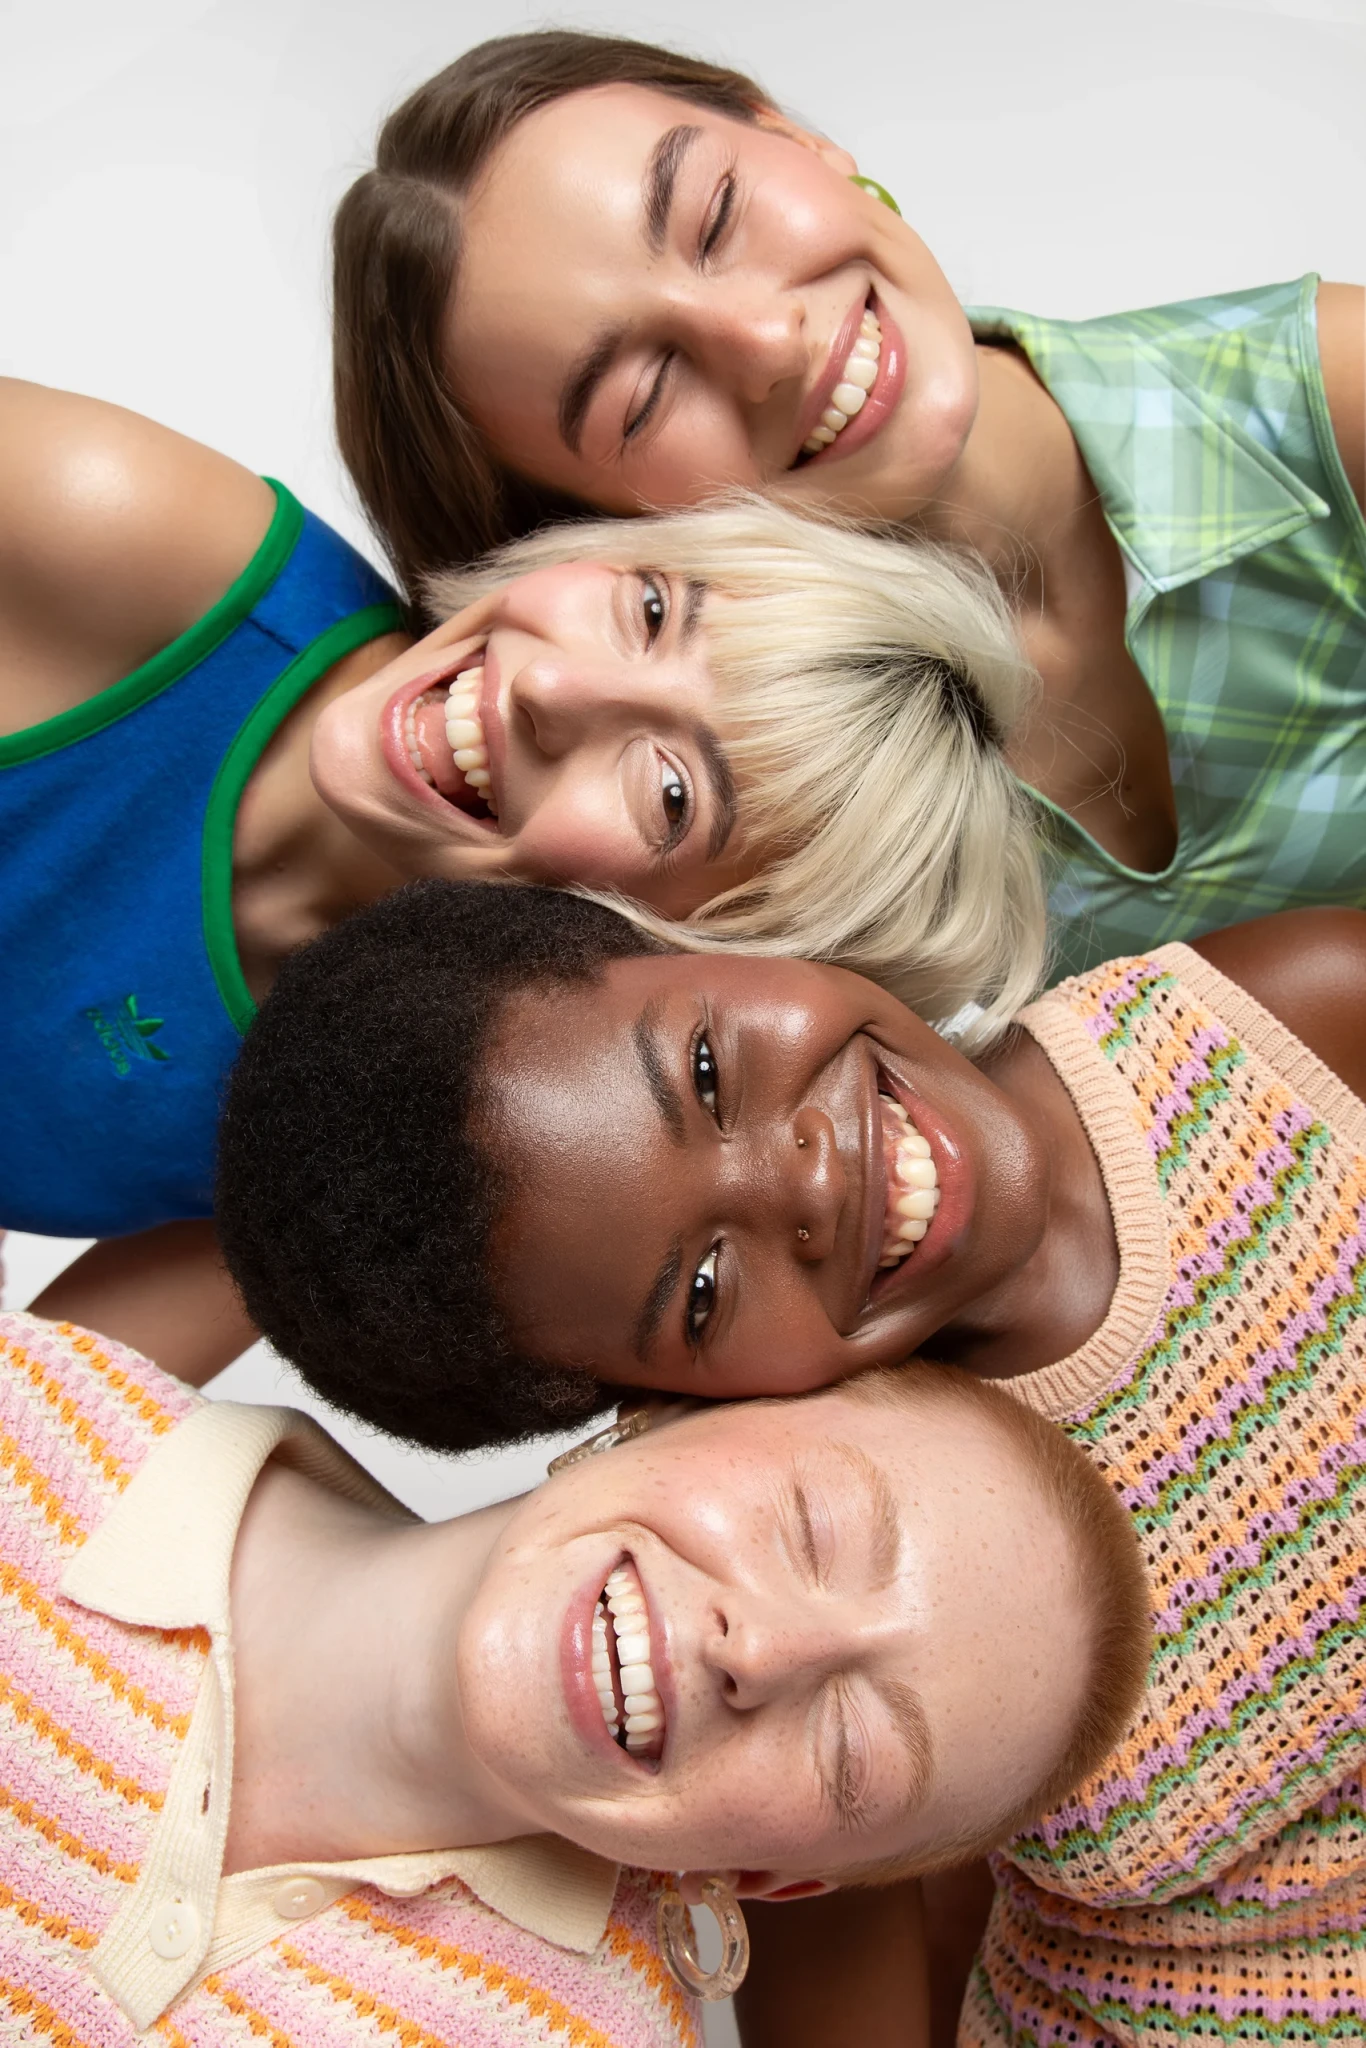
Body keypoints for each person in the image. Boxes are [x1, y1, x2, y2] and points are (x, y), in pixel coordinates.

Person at [219, 883, 1366, 2039]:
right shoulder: (820, 1610)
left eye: (706, 1071)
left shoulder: (1275, 1039)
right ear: (663, 1407)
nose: (810, 1178)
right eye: (703, 1290)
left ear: (687, 939)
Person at [0, 377, 1043, 1372]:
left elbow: (48, 1420)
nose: (546, 684)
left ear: (678, 953)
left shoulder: (370, 1122)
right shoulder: (132, 525)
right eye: (651, 612)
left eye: (670, 794)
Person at [333, 28, 1366, 978]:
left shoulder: (1327, 394)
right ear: (584, 535)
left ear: (793, 137)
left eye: (716, 215)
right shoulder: (702, 837)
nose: (766, 342)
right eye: (643, 397)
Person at [0, 1306, 1147, 2045]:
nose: (760, 1651)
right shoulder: (28, 1416)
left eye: (850, 1744)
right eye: (810, 1526)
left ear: (767, 1874)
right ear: (660, 1414)